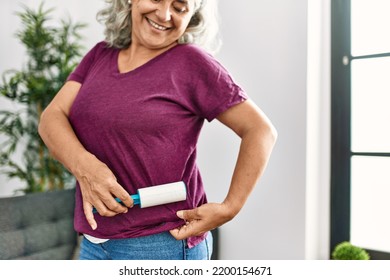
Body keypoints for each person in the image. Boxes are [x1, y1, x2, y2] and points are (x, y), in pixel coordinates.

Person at [38, 0, 277, 260]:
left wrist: (230, 207)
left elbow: (260, 130)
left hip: (161, 245)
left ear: (191, 15)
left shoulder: (192, 63)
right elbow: (52, 117)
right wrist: (84, 166)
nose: (164, 15)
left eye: (179, 7)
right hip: (94, 243)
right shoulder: (100, 55)